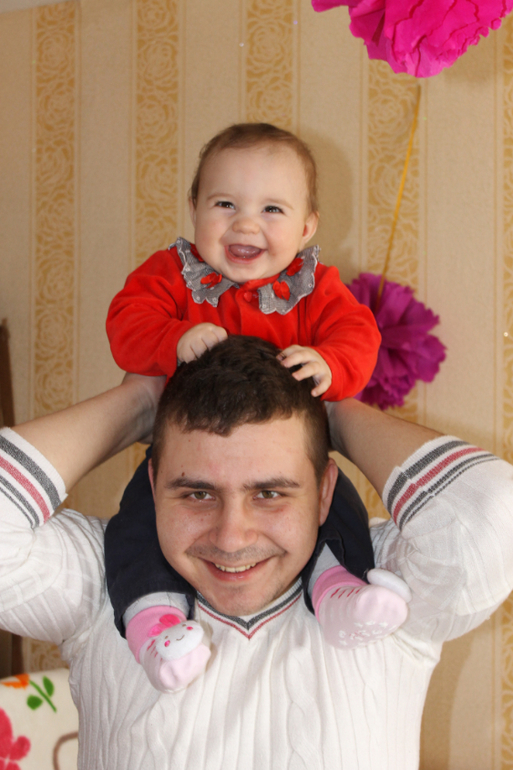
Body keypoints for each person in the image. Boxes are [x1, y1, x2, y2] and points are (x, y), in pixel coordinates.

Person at [1, 335, 513, 769]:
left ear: (325, 492)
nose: (231, 538)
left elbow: (494, 512)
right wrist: (138, 403)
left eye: (269, 493)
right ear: (153, 487)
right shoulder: (106, 579)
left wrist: (335, 411)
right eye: (197, 494)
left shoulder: (384, 583)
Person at [104, 122, 407, 692]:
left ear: (307, 226)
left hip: (289, 453)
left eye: (272, 209)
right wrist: (172, 338)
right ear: (193, 209)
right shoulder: (172, 275)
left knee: (335, 507)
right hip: (191, 452)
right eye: (225, 204)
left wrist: (329, 362)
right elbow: (126, 323)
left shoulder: (314, 287)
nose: (245, 224)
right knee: (138, 522)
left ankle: (337, 590)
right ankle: (152, 621)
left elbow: (358, 336)